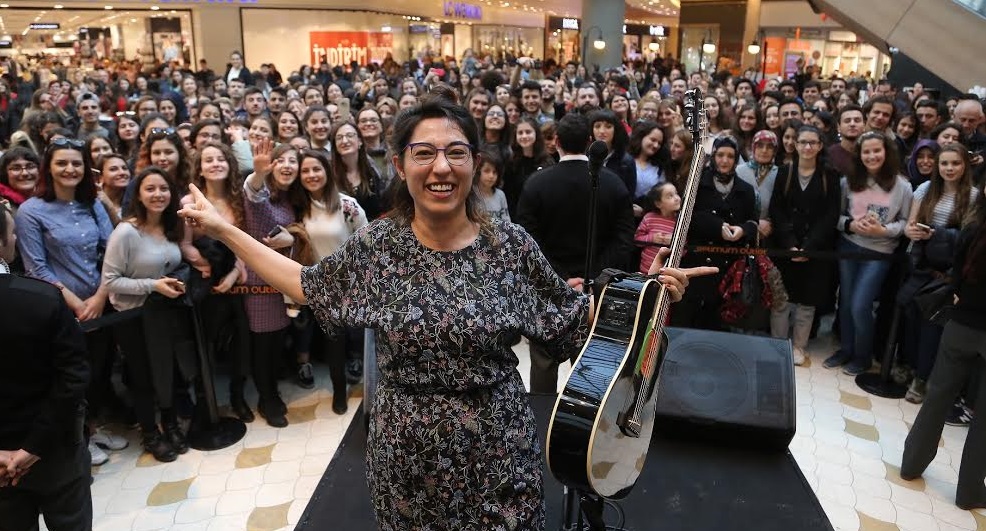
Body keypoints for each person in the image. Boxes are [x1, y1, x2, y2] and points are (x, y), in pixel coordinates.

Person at [178, 94, 708, 529]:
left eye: (456, 153)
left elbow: (576, 324)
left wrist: (648, 297)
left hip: (500, 456)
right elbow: (305, 282)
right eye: (423, 153)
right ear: (402, 164)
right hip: (406, 464)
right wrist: (225, 230)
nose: (440, 167)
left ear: (476, 165)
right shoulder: (380, 248)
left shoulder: (510, 246)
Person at [516, 112, 636, 393]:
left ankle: (543, 424)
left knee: (544, 362)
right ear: (589, 142)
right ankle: (582, 429)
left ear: (556, 141)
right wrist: (590, 278)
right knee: (588, 367)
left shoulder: (537, 184)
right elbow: (623, 241)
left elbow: (528, 242)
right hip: (596, 293)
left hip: (547, 292)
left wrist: (560, 279)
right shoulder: (614, 183)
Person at [0, 201, 93, 531]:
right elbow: (73, 377)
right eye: (12, 233)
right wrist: (33, 447)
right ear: (4, 242)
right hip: (55, 449)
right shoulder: (39, 298)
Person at [102, 166, 197, 463]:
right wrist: (153, 285)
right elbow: (110, 281)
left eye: (164, 189)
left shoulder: (171, 227)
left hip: (164, 313)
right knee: (143, 378)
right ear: (138, 195)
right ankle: (150, 433)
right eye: (150, 189)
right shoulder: (126, 232)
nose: (158, 194)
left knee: (167, 372)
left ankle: (169, 424)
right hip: (134, 317)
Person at [900, 188, 986, 511]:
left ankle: (911, 464)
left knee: (937, 397)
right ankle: (969, 491)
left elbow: (957, 279)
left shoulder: (972, 229)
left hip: (960, 325)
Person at [825, 131, 913, 375]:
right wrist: (850, 225)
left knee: (860, 305)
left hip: (879, 253)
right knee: (844, 303)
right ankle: (846, 349)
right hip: (849, 247)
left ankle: (863, 356)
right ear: (859, 155)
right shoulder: (848, 181)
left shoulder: (902, 186)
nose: (872, 155)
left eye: (877, 150)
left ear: (887, 152)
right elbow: (837, 216)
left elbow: (906, 223)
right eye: (866, 151)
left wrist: (883, 230)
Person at [769, 126, 841, 366]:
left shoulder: (830, 176)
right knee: (781, 299)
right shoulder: (784, 172)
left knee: (806, 302)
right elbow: (776, 210)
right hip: (785, 246)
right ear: (795, 145)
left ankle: (799, 346)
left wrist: (809, 246)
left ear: (820, 146)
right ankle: (777, 344)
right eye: (803, 142)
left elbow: (831, 215)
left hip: (816, 248)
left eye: (813, 142)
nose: (808, 147)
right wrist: (790, 244)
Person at [635, 182, 680, 274]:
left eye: (676, 193)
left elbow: (684, 250)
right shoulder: (649, 217)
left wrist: (673, 243)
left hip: (667, 274)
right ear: (658, 204)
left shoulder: (679, 221)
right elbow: (637, 240)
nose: (676, 198)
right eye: (670, 196)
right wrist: (652, 238)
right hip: (645, 271)